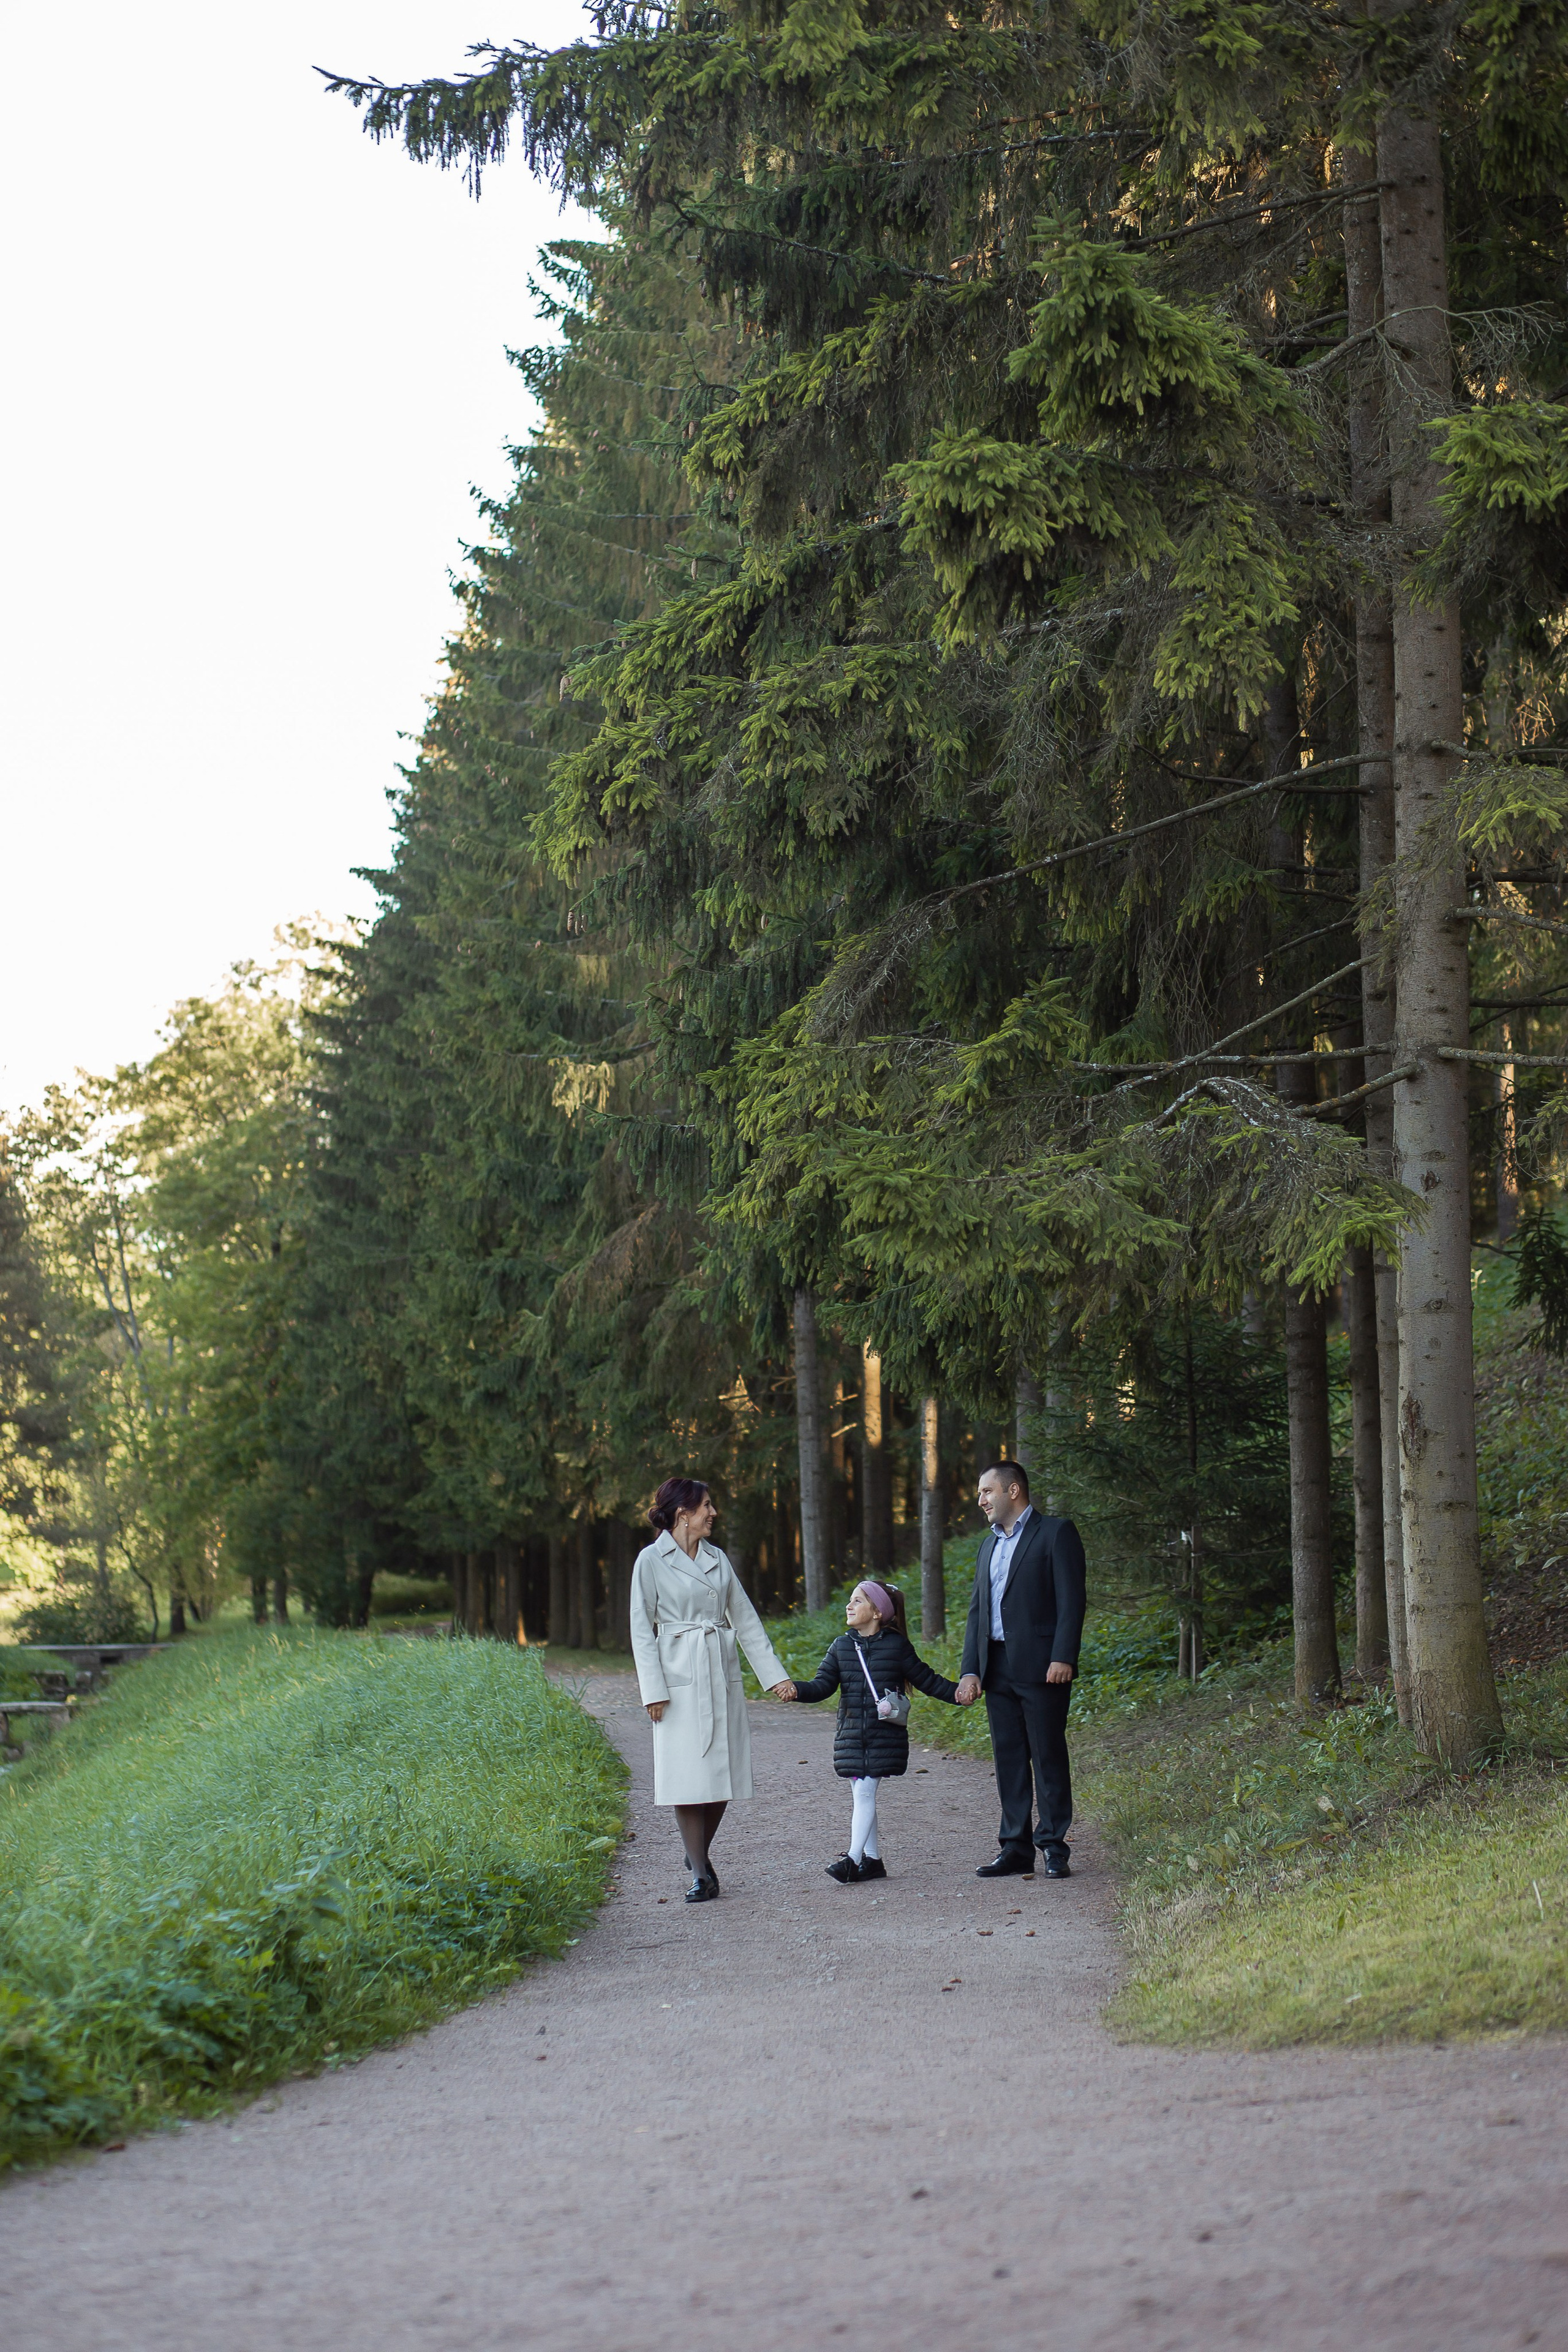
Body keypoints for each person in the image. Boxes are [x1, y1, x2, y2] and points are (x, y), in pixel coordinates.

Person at [628, 1476, 796, 1903]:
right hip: (677, 1679)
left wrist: (774, 1674)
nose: (713, 1513)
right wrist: (653, 1689)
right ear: (683, 1513)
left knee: (723, 1773)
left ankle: (695, 1852)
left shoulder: (717, 1559)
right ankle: (701, 1872)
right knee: (686, 1777)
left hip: (719, 1672)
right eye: (707, 1505)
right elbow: (641, 1630)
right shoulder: (650, 1560)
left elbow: (745, 1618)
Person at [956, 1460, 1086, 1880]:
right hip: (996, 1666)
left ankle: (1053, 1846)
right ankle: (1015, 1847)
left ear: (1013, 1491)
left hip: (1043, 1665)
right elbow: (978, 1611)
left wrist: (1063, 1656)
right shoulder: (987, 1545)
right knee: (1009, 1757)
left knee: (1047, 1755)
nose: (981, 1501)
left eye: (987, 1492)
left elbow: (1071, 1600)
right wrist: (971, 1669)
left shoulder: (1056, 1533)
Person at [785, 1578, 962, 1883]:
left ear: (878, 1611)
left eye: (858, 1601)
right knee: (861, 1795)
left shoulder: (896, 1647)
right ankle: (874, 1861)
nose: (849, 1606)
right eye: (850, 1600)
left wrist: (960, 1693)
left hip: (882, 1736)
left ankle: (853, 1860)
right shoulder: (841, 1646)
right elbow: (822, 1686)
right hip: (852, 1734)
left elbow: (927, 1679)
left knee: (865, 1792)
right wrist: (796, 1690)